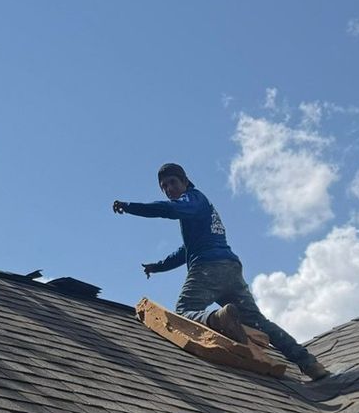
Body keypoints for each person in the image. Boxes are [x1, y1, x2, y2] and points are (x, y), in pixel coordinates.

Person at [113, 162, 331, 380]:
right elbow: (185, 251)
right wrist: (158, 266)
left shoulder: (193, 199)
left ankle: (218, 319)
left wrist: (130, 206)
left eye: (172, 183)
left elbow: (167, 209)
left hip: (209, 268)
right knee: (259, 322)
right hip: (230, 270)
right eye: (164, 186)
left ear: (185, 182)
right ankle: (310, 364)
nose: (169, 189)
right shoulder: (199, 210)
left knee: (184, 310)